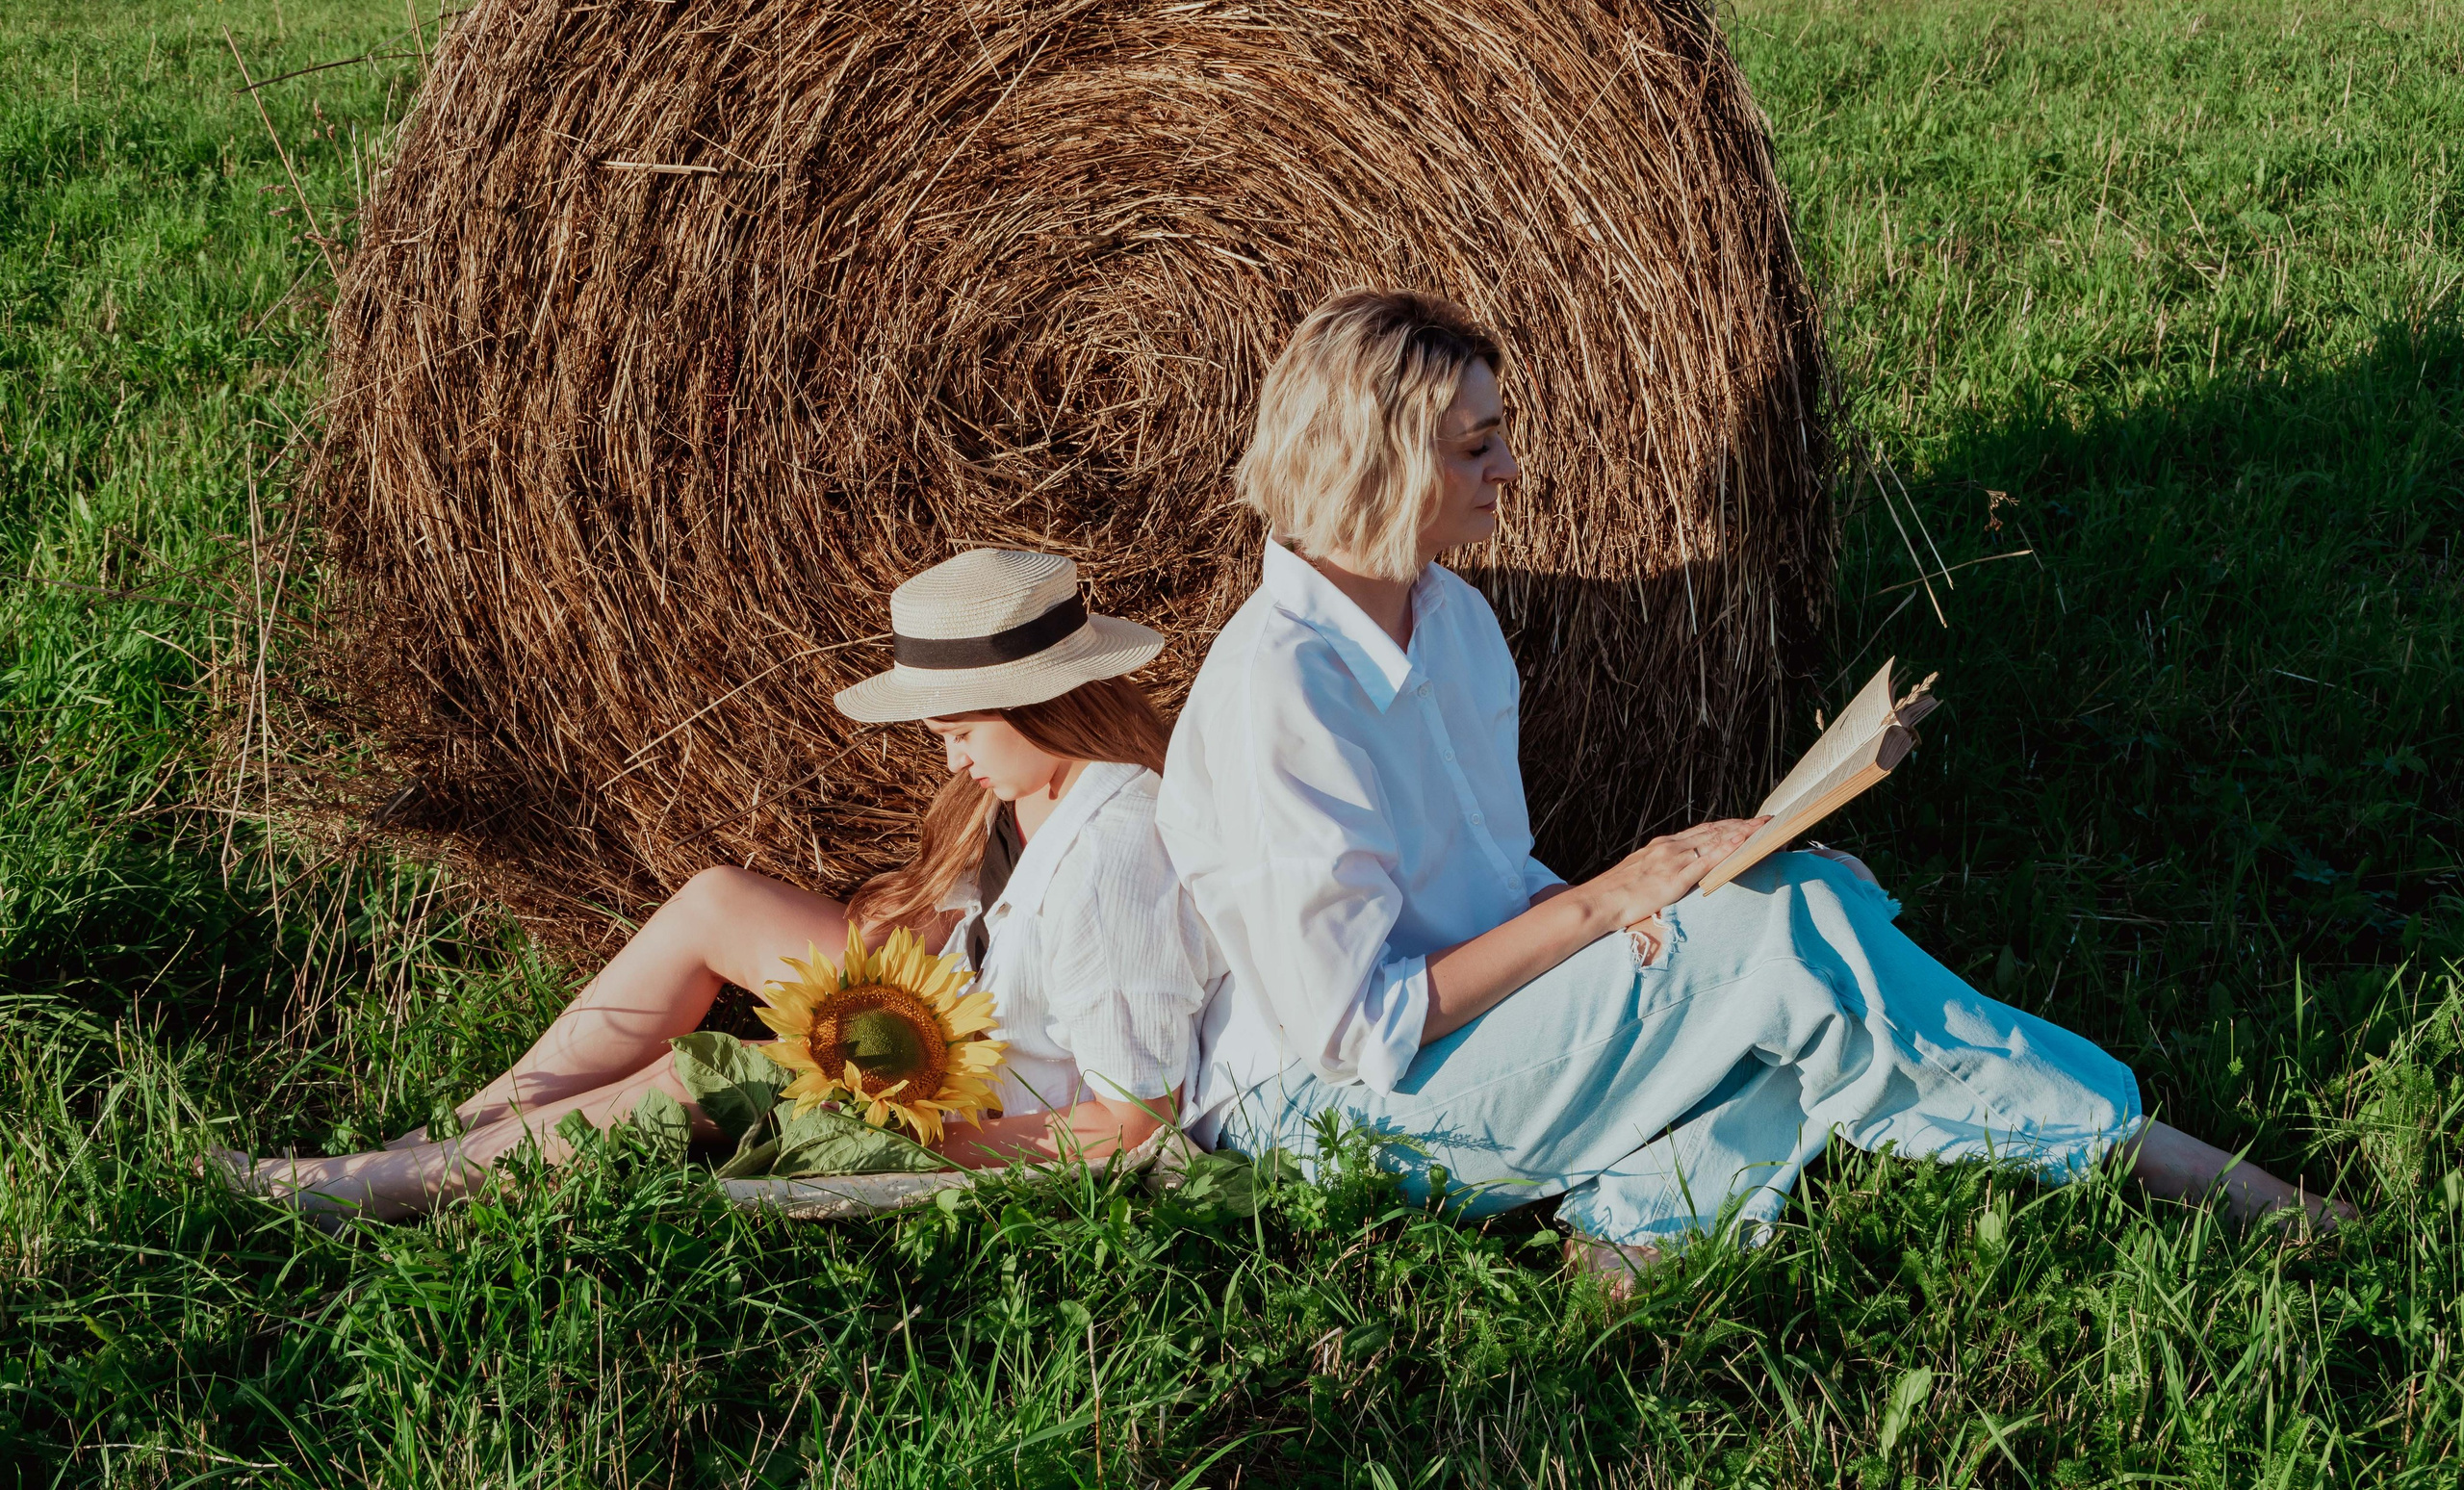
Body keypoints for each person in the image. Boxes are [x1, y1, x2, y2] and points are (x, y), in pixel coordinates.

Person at [1156, 290, 2352, 1283]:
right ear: (1376, 462)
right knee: (1789, 955)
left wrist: (1661, 906)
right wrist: (1606, 903)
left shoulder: (1452, 622)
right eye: (1475, 447)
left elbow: (1485, 886)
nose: (1511, 469)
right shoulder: (1283, 690)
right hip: (1328, 1119)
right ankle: (2158, 1159)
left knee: (1790, 920)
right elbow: (1356, 1028)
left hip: (1466, 1041)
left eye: (1499, 433)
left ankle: (1637, 1239)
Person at [234, 549, 1217, 1220]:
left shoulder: (1114, 859)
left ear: (1042, 698)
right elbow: (969, 916)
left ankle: (379, 1187)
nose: (951, 759)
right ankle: (454, 1136)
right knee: (716, 901)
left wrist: (914, 1141)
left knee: (697, 1075)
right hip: (954, 1009)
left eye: (961, 729)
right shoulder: (1038, 782)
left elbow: (1130, 1119)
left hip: (985, 1097)